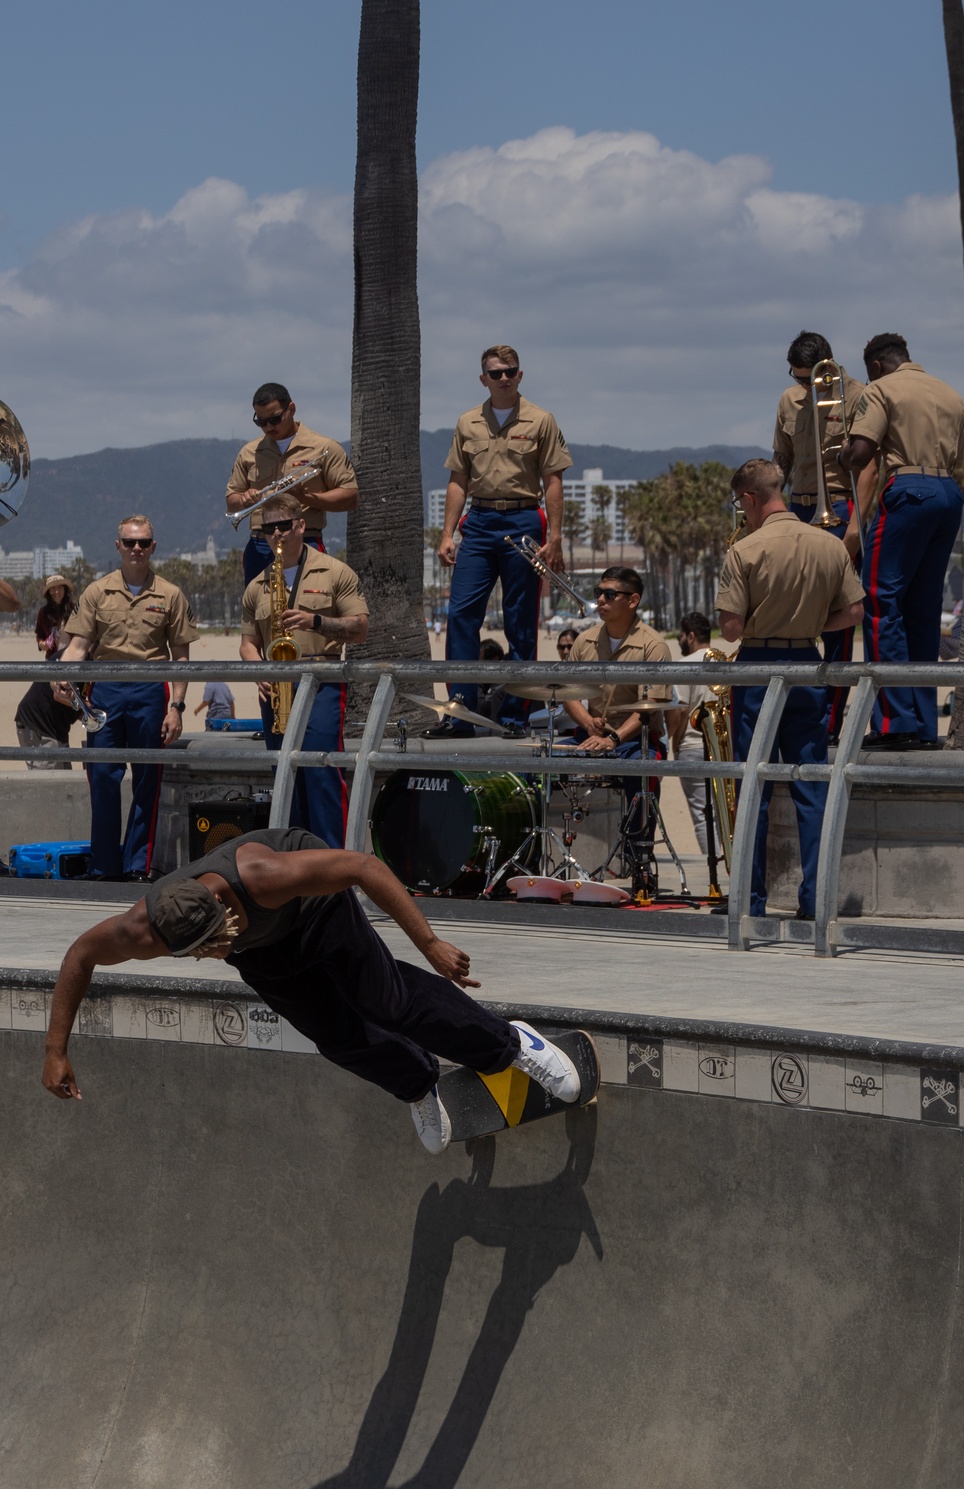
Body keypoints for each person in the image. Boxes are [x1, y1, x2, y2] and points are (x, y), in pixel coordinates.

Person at [39, 827, 582, 1155]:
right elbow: (79, 956)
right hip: (265, 952)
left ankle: (512, 1046)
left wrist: (430, 942)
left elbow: (364, 868)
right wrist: (56, 1051)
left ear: (225, 911)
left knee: (385, 1002)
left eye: (217, 943)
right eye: (204, 954)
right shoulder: (141, 929)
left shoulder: (265, 874)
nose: (215, 956)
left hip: (315, 912)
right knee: (336, 1036)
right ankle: (419, 1085)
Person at [716, 459, 865, 918]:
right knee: (812, 785)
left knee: (754, 784)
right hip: (808, 662)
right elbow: (855, 613)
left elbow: (730, 630)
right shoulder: (829, 544)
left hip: (759, 666)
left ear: (749, 499)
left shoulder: (745, 549)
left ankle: (750, 899)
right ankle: (815, 898)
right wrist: (809, 624)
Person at [430, 345, 572, 737]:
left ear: (520, 375)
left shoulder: (542, 420)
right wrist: (447, 533)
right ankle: (458, 712)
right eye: (496, 373)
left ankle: (514, 715)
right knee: (460, 615)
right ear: (484, 380)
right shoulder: (467, 422)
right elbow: (458, 480)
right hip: (478, 521)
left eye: (511, 371)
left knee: (521, 621)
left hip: (525, 518)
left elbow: (554, 481)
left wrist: (555, 537)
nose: (504, 378)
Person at [839, 332, 964, 749]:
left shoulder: (881, 389)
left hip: (909, 491)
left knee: (878, 598)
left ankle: (895, 722)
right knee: (923, 610)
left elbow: (860, 455)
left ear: (875, 366)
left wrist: (839, 452)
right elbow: (956, 459)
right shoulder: (949, 394)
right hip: (948, 495)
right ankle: (924, 726)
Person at [57, 516, 199, 881]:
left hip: (151, 690)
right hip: (105, 690)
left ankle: (138, 865)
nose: (137, 549)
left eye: (144, 543)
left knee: (147, 780)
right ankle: (104, 866)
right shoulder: (96, 592)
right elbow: (78, 646)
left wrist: (177, 708)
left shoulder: (170, 595)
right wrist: (59, 677)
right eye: (130, 542)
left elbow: (181, 657)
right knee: (102, 775)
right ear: (117, 545)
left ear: (153, 547)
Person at [240, 494, 368, 849]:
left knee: (322, 774)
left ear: (300, 525)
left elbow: (360, 627)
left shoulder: (335, 571)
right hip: (276, 687)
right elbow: (248, 643)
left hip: (321, 680)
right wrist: (258, 670)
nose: (277, 534)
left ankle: (333, 863)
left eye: (284, 525)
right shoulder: (257, 585)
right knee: (283, 778)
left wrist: (315, 621)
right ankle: (292, 862)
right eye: (269, 528)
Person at [772, 331, 878, 741]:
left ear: (827, 366)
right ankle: (795, 708)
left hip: (839, 506)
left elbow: (869, 465)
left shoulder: (857, 395)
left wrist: (855, 527)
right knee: (791, 610)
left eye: (807, 380)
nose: (801, 387)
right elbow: (782, 458)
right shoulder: (787, 400)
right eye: (796, 379)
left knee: (838, 619)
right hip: (798, 506)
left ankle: (829, 721)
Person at [562, 567, 676, 841]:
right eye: (598, 593)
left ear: (633, 600)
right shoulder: (583, 640)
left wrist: (614, 738)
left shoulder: (653, 645)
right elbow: (567, 693)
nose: (600, 599)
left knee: (641, 769)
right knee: (538, 767)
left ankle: (639, 852)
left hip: (638, 741)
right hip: (590, 735)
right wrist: (588, 723)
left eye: (610, 594)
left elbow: (650, 706)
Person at [226, 382, 359, 586]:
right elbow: (231, 501)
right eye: (261, 422)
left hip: (306, 541)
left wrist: (305, 497)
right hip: (261, 543)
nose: (269, 427)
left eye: (275, 419)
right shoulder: (249, 452)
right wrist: (244, 499)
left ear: (292, 409)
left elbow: (350, 497)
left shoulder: (324, 448)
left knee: (309, 605)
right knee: (259, 611)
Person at [667, 611, 715, 856]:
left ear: (692, 636)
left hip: (692, 744)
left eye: (681, 635)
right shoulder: (724, 660)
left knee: (701, 814)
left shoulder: (684, 665)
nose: (679, 640)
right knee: (724, 814)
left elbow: (681, 711)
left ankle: (713, 873)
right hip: (721, 747)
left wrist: (674, 742)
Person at [15, 669, 81, 770]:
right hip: (39, 724)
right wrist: (96, 711)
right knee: (50, 782)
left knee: (64, 780)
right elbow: (58, 695)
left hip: (56, 728)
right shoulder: (80, 660)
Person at [34, 574, 74, 659]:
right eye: (53, 588)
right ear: (48, 592)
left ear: (65, 589)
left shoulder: (74, 610)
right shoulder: (43, 613)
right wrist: (42, 644)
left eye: (59, 587)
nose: (56, 592)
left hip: (72, 659)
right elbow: (39, 635)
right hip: (51, 659)